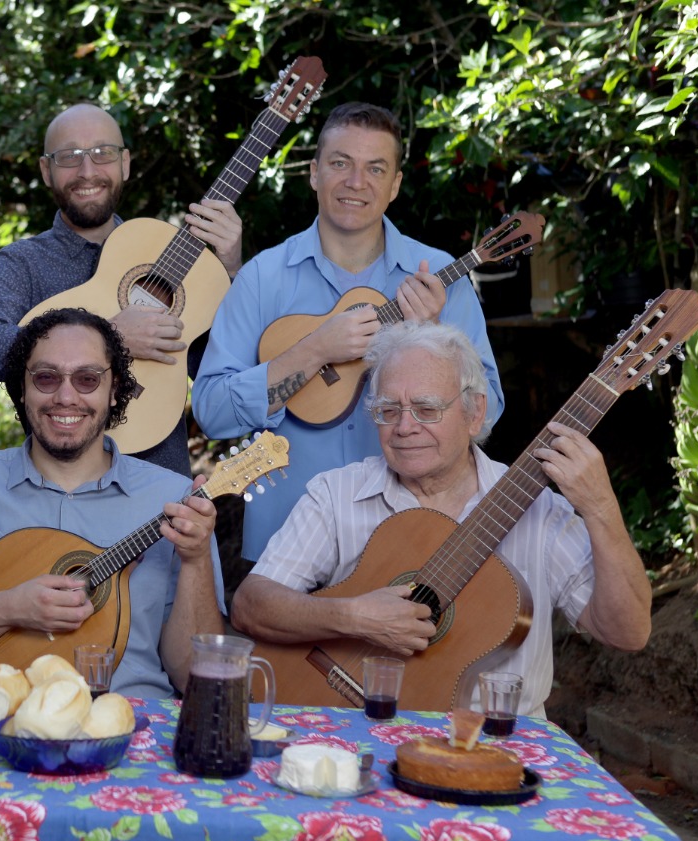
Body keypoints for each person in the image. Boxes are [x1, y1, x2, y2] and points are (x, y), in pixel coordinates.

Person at [232, 321, 650, 714]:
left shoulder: (537, 507)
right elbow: (251, 606)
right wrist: (354, 617)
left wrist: (601, 508)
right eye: (388, 410)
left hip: (500, 742)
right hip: (353, 730)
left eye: (427, 409)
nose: (405, 427)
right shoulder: (336, 493)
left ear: (474, 413)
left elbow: (627, 633)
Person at [192, 102, 505, 562]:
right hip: (288, 539)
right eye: (340, 163)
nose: (356, 182)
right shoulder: (262, 277)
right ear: (314, 173)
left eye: (375, 168)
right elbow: (212, 412)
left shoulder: (437, 276)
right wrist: (315, 349)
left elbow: (489, 411)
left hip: (414, 538)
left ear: (395, 184)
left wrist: (435, 341)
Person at [0, 308, 225, 697]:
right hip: (6, 725)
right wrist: (5, 609)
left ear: (115, 388)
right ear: (22, 388)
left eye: (87, 379)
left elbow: (195, 676)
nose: (65, 396)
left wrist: (196, 558)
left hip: (136, 723)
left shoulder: (173, 498)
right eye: (46, 377)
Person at [0, 103, 244, 476]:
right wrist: (107, 335)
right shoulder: (21, 263)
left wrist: (231, 272)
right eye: (69, 157)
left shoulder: (177, 261)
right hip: (56, 488)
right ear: (47, 170)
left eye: (102, 154)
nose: (87, 171)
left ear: (125, 163)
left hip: (159, 488)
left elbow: (226, 383)